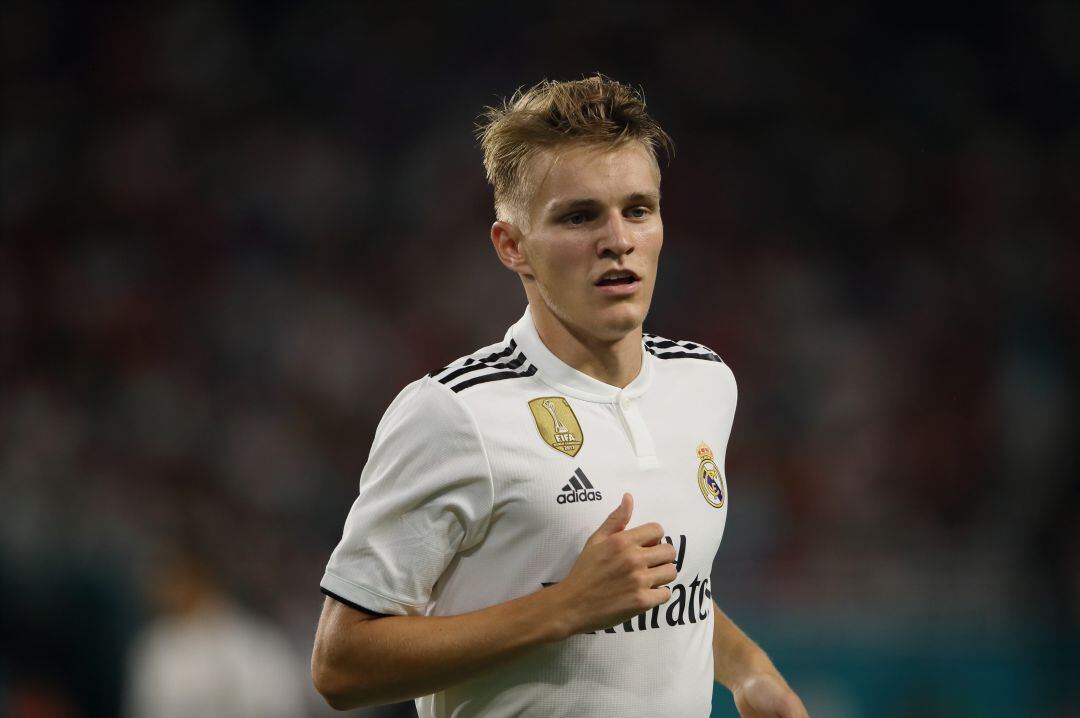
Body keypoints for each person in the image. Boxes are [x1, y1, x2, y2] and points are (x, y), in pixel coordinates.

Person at [311, 75, 810, 718]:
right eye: (579, 216)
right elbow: (340, 664)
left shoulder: (705, 383)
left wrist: (748, 671)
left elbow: (664, 589)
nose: (617, 240)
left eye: (638, 209)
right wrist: (564, 607)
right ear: (512, 246)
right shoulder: (456, 413)